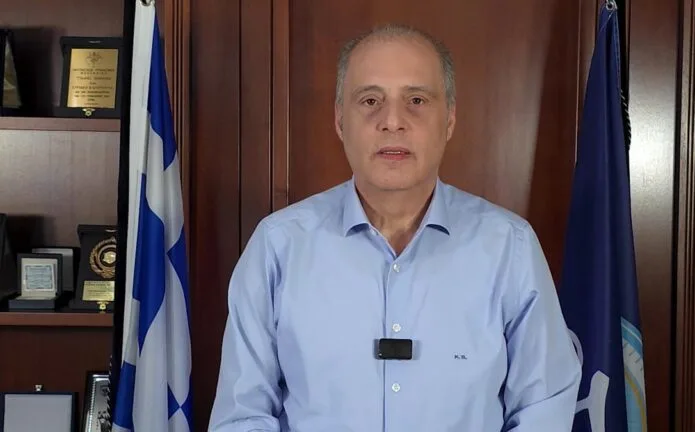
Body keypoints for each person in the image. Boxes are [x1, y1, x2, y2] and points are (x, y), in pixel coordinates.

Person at [208, 23, 581, 431]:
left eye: (416, 100)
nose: (392, 121)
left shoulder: (510, 248)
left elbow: (544, 410)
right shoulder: (277, 247)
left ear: (450, 120)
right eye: (370, 100)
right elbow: (242, 416)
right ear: (340, 120)